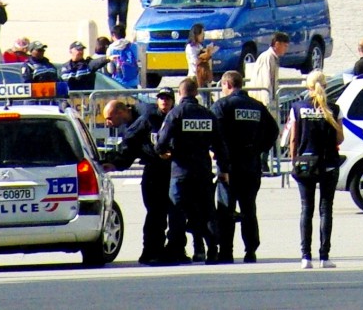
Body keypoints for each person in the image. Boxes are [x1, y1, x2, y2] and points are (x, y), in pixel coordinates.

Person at [156, 77, 221, 264]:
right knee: (206, 210)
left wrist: (164, 152)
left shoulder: (175, 114)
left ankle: (176, 250)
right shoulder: (208, 114)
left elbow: (161, 142)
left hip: (181, 171)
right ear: (196, 93)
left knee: (177, 211)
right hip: (202, 170)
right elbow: (219, 145)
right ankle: (212, 249)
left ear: (180, 93)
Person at [213, 69, 275, 263]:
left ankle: (226, 251)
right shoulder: (257, 106)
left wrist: (222, 164)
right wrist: (258, 149)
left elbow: (216, 137)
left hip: (229, 167)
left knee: (226, 209)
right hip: (251, 165)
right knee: (249, 209)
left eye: (222, 86)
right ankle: (250, 251)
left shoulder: (222, 106)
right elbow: (273, 131)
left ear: (228, 85)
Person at [288, 69, 343, 266]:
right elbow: (340, 137)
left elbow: (293, 139)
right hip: (328, 163)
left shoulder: (297, 108)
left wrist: (294, 159)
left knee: (306, 209)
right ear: (325, 85)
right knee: (326, 209)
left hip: (305, 164)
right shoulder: (334, 109)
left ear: (308, 87)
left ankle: (305, 256)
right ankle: (325, 257)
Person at [116, 87, 176, 264]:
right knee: (155, 214)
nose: (164, 101)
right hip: (154, 172)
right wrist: (120, 160)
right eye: (161, 98)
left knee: (175, 213)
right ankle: (150, 251)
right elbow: (130, 138)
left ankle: (173, 250)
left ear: (173, 100)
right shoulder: (150, 118)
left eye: (168, 98)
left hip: (173, 171)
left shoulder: (177, 117)